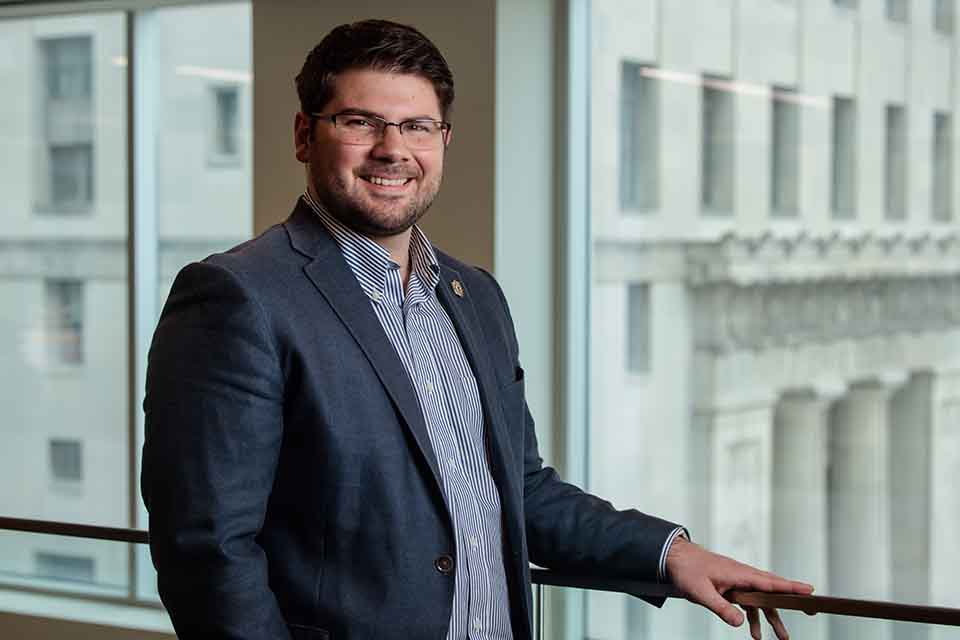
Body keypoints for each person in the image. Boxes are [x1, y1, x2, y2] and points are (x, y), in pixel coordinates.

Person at [141, 19, 813, 640]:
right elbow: (207, 549)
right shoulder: (239, 297)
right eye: (359, 122)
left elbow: (520, 492)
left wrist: (673, 554)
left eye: (417, 127)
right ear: (302, 135)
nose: (391, 150)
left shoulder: (475, 296)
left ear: (444, 142)